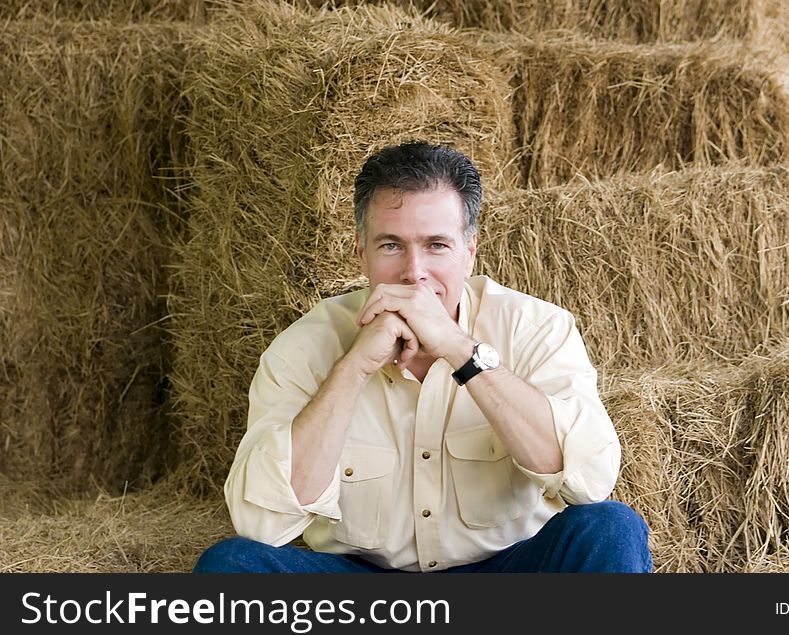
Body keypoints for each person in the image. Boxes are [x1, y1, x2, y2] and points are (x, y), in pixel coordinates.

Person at [194, 142, 652, 573]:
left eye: (437, 245)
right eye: (391, 245)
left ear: (469, 252)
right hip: (368, 595)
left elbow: (590, 483)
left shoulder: (536, 328)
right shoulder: (304, 347)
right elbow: (260, 524)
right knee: (232, 566)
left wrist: (458, 349)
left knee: (611, 529)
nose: (415, 273)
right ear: (362, 252)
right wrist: (354, 367)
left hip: (508, 572)